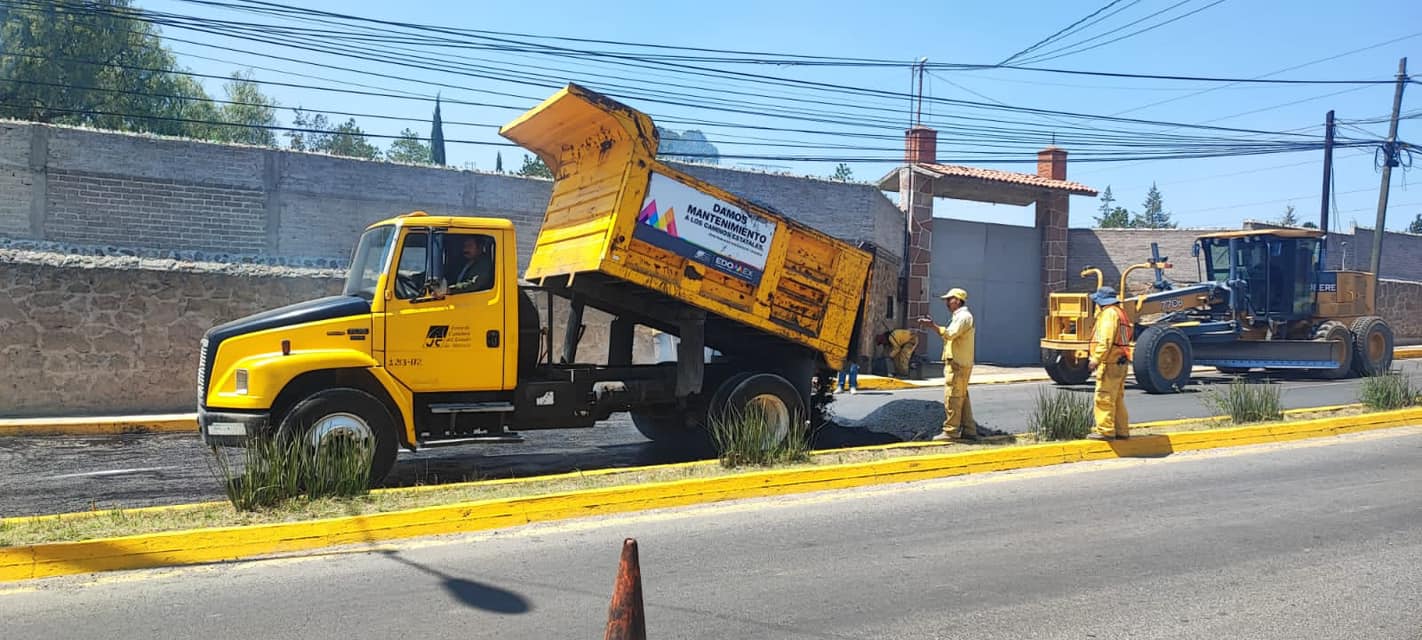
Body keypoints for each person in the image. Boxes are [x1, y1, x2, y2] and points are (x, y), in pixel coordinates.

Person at [918, 288, 978, 442]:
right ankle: (969, 430)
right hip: (960, 362)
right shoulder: (959, 316)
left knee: (952, 397)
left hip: (957, 364)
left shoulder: (963, 317)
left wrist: (933, 326)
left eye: (949, 299)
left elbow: (950, 334)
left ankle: (950, 431)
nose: (946, 302)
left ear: (957, 300)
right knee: (962, 397)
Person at [1087, 285, 1132, 441]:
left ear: (1102, 302)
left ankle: (1105, 431)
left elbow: (1105, 340)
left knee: (1104, 397)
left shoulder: (1109, 314)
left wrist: (1096, 359)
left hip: (1111, 362)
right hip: (1121, 361)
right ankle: (1122, 430)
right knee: (1117, 399)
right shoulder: (1121, 313)